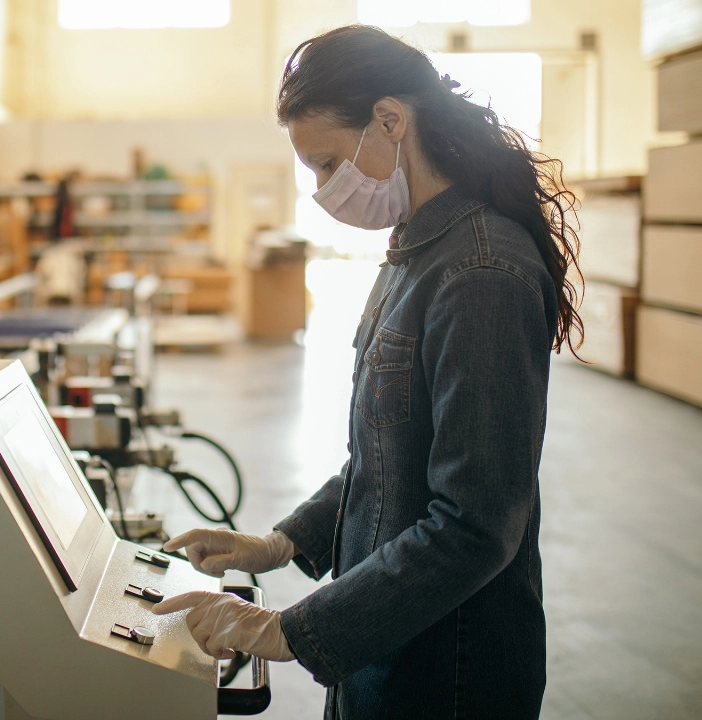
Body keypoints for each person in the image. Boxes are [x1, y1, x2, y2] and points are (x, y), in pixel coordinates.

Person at [151, 25, 582, 719]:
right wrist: (280, 543)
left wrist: (287, 629)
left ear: (391, 120)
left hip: (449, 674)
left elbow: (476, 525)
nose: (323, 190)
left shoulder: (480, 273)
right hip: (387, 648)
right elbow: (385, 458)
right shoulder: (413, 253)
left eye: (327, 164)